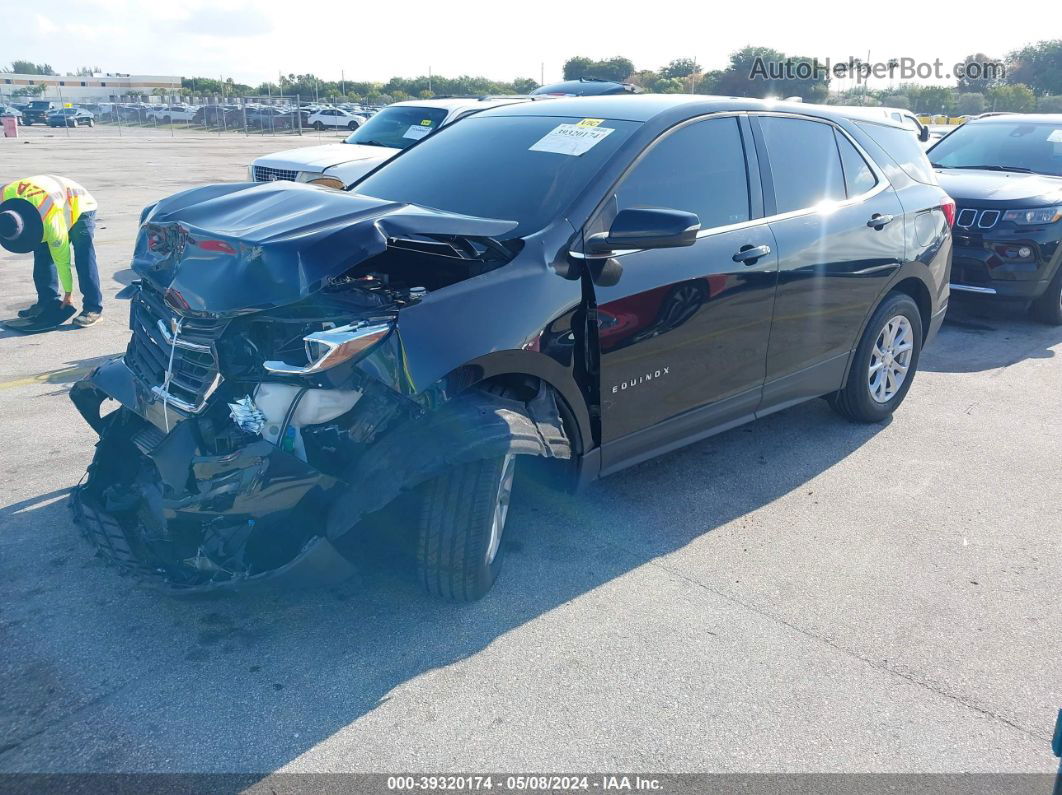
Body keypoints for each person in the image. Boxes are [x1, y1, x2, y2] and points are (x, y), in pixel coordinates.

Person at [0, 174, 103, 332]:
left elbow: (62, 260)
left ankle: (93, 308)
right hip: (46, 198)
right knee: (41, 253)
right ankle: (47, 302)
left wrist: (68, 293)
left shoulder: (51, 223)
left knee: (83, 255)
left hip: (80, 204)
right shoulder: (3, 199)